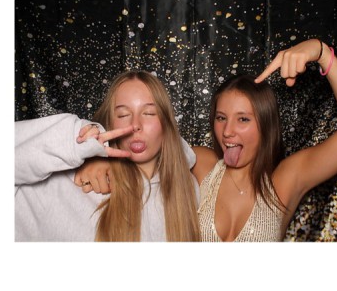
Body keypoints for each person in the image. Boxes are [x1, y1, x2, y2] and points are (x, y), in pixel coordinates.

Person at [76, 38, 337, 242]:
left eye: (243, 119)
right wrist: (100, 159)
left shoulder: (285, 180)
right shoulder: (202, 164)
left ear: (265, 125)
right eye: (221, 118)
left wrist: (320, 52)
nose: (228, 131)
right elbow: (144, 148)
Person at [15, 70, 200, 241]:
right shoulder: (68, 183)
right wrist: (79, 139)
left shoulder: (188, 189)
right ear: (109, 123)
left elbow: (190, 155)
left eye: (149, 113)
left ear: (167, 123)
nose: (136, 124)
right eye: (123, 115)